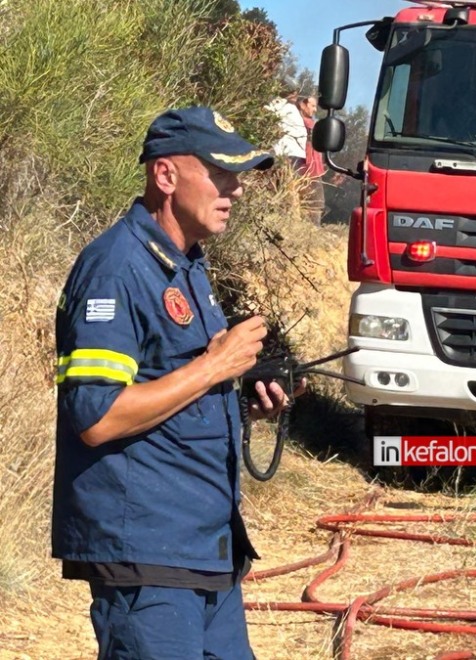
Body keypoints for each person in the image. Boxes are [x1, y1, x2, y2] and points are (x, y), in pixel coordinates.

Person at [52, 106, 302, 659]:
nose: (235, 189)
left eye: (237, 176)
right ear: (165, 175)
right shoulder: (115, 269)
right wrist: (214, 367)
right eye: (220, 173)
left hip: (203, 551)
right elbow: (96, 417)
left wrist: (242, 399)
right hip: (147, 558)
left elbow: (171, 389)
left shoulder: (186, 264)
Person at [295, 95, 327, 225]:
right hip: (307, 170)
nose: (315, 110)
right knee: (314, 203)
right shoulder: (298, 122)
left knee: (315, 204)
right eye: (312, 106)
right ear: (302, 104)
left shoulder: (311, 123)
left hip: (312, 169)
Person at [266, 91, 307, 170]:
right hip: (289, 152)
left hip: (293, 153)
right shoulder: (284, 106)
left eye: (296, 92)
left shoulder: (290, 107)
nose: (295, 95)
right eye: (292, 92)